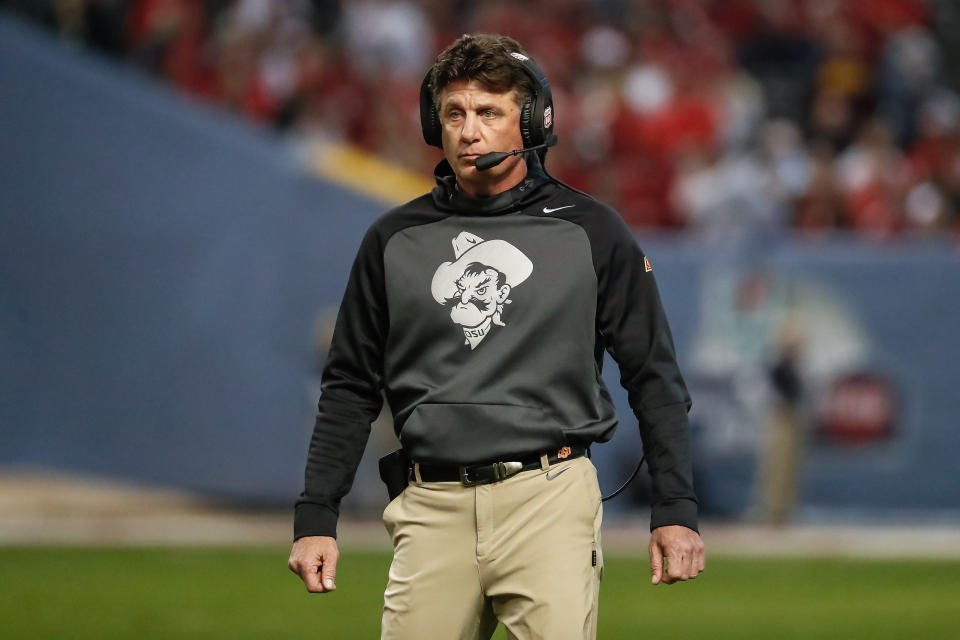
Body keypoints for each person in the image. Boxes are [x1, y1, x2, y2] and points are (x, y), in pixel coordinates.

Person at [288, 33, 705, 639]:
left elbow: (654, 378)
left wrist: (675, 509)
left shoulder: (593, 232)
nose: (468, 130)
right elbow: (350, 385)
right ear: (435, 122)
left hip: (550, 497)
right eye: (454, 112)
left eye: (489, 113)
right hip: (430, 503)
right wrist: (316, 515)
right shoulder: (392, 240)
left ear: (532, 121)